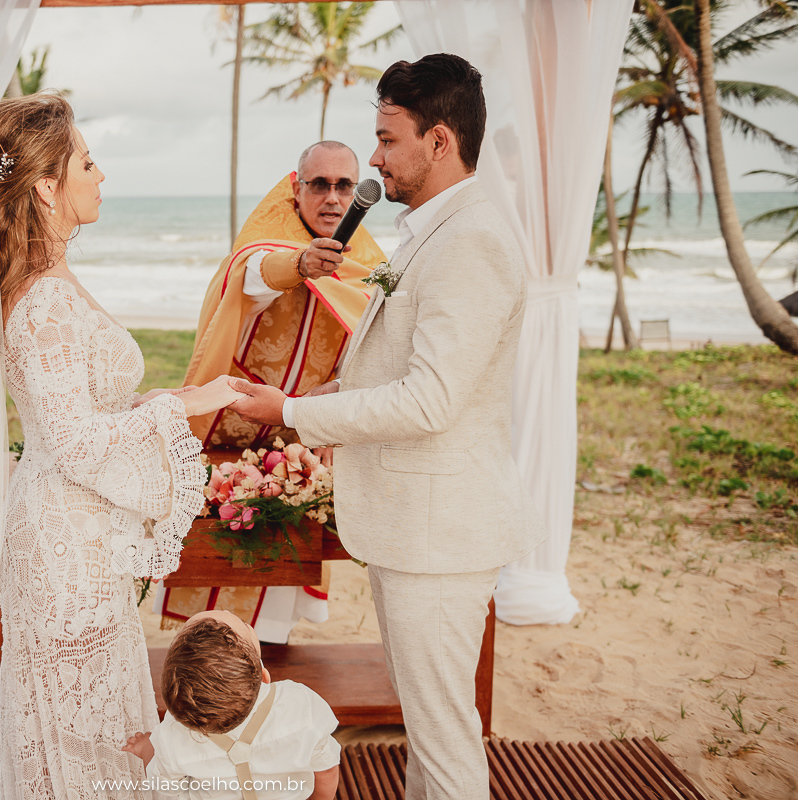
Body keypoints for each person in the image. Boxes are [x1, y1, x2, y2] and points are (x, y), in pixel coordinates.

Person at [0, 93, 244, 800]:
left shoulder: (48, 280)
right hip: (63, 550)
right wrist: (182, 404)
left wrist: (163, 399)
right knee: (80, 734)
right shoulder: (43, 301)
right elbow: (73, 442)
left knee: (97, 725)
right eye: (87, 163)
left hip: (79, 537)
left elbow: (73, 412)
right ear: (47, 187)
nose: (101, 176)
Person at [228, 55, 548, 800]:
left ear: (438, 141)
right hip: (414, 527)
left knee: (443, 737)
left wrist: (294, 413)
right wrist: (330, 390)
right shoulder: (433, 232)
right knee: (429, 726)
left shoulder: (470, 241)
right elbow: (408, 366)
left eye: (386, 139)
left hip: (440, 534)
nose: (373, 159)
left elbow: (430, 401)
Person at [158, 143, 388, 644]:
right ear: (296, 189)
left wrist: (340, 394)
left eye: (344, 186)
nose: (333, 198)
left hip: (299, 432)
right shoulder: (270, 240)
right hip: (231, 422)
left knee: (277, 588)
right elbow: (251, 274)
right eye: (319, 185)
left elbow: (373, 339)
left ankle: (264, 661)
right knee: (209, 572)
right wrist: (299, 264)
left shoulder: (368, 259)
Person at [122, 610, 340, 800]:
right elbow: (327, 769)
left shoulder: (171, 736)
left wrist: (147, 748)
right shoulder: (301, 706)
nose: (226, 610)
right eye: (244, 625)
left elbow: (166, 789)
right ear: (264, 678)